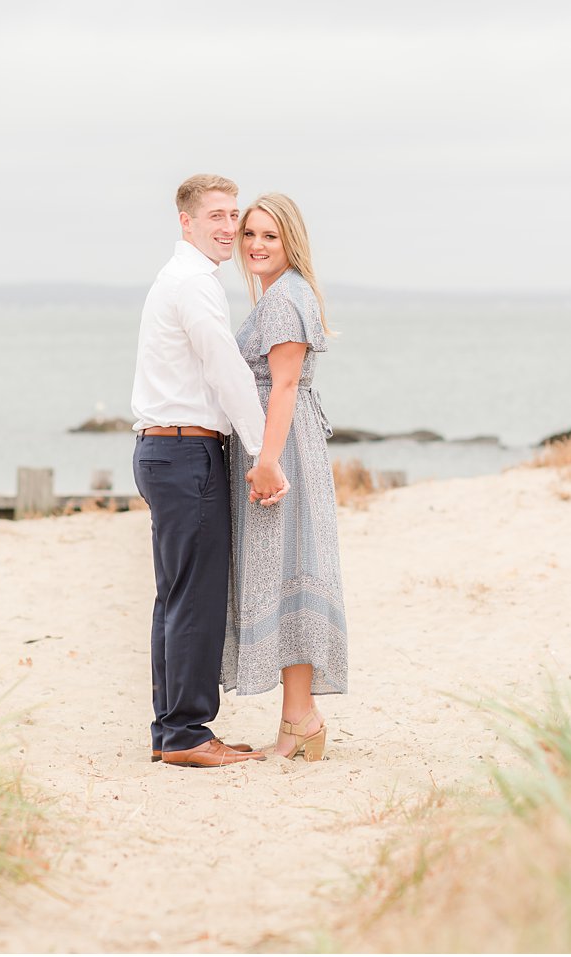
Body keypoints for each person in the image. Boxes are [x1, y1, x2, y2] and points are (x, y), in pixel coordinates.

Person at [131, 173, 285, 769]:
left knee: (174, 595)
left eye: (233, 215)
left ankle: (170, 729)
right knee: (193, 597)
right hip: (185, 453)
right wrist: (261, 454)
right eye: (216, 216)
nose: (229, 228)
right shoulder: (193, 284)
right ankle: (188, 734)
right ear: (186, 221)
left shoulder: (180, 280)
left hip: (165, 451)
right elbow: (226, 370)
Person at [220, 192, 347, 761]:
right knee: (290, 569)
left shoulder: (284, 299)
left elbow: (286, 386)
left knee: (287, 568)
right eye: (250, 234)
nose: (255, 245)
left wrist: (266, 461)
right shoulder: (283, 293)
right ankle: (298, 720)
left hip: (283, 449)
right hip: (287, 443)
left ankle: (302, 718)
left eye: (269, 236)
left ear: (290, 240)